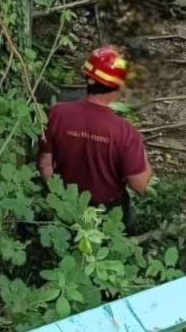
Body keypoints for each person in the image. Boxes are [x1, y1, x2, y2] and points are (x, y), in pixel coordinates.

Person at [37, 46, 153, 231]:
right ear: (119, 87)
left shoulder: (56, 113)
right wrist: (141, 157)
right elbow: (139, 185)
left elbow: (45, 165)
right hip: (107, 212)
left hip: (65, 204)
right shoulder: (126, 132)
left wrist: (57, 200)